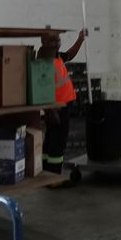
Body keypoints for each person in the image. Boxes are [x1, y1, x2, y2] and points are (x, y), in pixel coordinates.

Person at [38, 30, 86, 173]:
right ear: (44, 42)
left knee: (51, 139)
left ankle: (46, 170)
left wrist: (80, 39)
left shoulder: (56, 55)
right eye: (53, 41)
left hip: (62, 106)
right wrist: (50, 110)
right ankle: (54, 174)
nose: (57, 43)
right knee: (57, 142)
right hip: (57, 108)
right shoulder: (44, 61)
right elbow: (42, 88)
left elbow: (70, 54)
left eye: (58, 40)